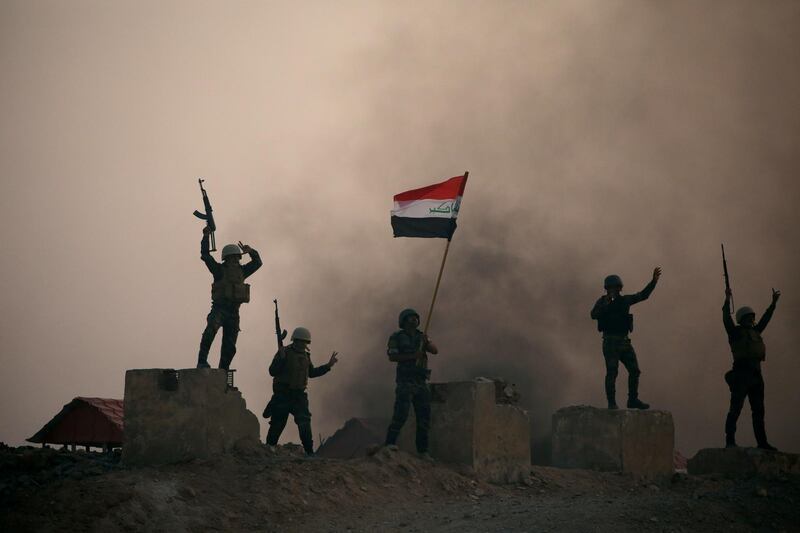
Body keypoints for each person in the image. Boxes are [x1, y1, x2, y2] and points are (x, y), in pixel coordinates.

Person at [590, 268, 662, 410]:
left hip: (623, 342)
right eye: (610, 288)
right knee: (612, 371)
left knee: (635, 370)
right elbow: (593, 315)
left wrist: (653, 282)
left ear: (620, 288)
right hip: (610, 342)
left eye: (615, 288)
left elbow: (643, 295)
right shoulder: (602, 302)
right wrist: (605, 304)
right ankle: (611, 402)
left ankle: (633, 400)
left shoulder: (625, 301)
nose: (613, 291)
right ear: (606, 289)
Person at [264, 327, 338, 456]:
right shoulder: (284, 352)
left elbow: (311, 373)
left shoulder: (305, 356)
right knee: (278, 423)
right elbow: (272, 371)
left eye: (305, 342)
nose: (303, 345)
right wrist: (280, 359)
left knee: (304, 423)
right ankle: (269, 449)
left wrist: (328, 366)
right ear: (295, 341)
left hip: (299, 396)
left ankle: (309, 452)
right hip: (283, 395)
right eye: (301, 342)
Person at [722, 287, 780, 450]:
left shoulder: (755, 331)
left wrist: (773, 304)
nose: (751, 320)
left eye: (752, 318)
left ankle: (762, 442)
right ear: (742, 319)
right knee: (736, 408)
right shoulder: (735, 333)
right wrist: (727, 300)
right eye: (748, 318)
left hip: (756, 374)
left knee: (758, 411)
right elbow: (726, 318)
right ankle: (730, 441)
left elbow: (765, 320)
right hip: (741, 373)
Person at [196, 226, 262, 369]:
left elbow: (258, 263)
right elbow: (206, 256)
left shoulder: (243, 272)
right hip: (220, 309)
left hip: (234, 312)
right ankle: (202, 361)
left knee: (230, 346)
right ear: (226, 259)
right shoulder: (219, 270)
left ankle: (223, 372)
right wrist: (206, 236)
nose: (234, 261)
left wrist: (250, 251)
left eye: (236, 258)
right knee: (210, 331)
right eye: (231, 258)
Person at [384, 308, 438, 459]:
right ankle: (390, 443)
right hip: (405, 381)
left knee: (424, 417)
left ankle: (423, 450)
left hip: (420, 381)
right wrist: (412, 356)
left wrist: (427, 342)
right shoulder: (397, 337)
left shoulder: (422, 337)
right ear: (404, 321)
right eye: (410, 318)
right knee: (401, 413)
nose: (414, 320)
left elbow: (435, 351)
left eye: (416, 317)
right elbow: (392, 357)